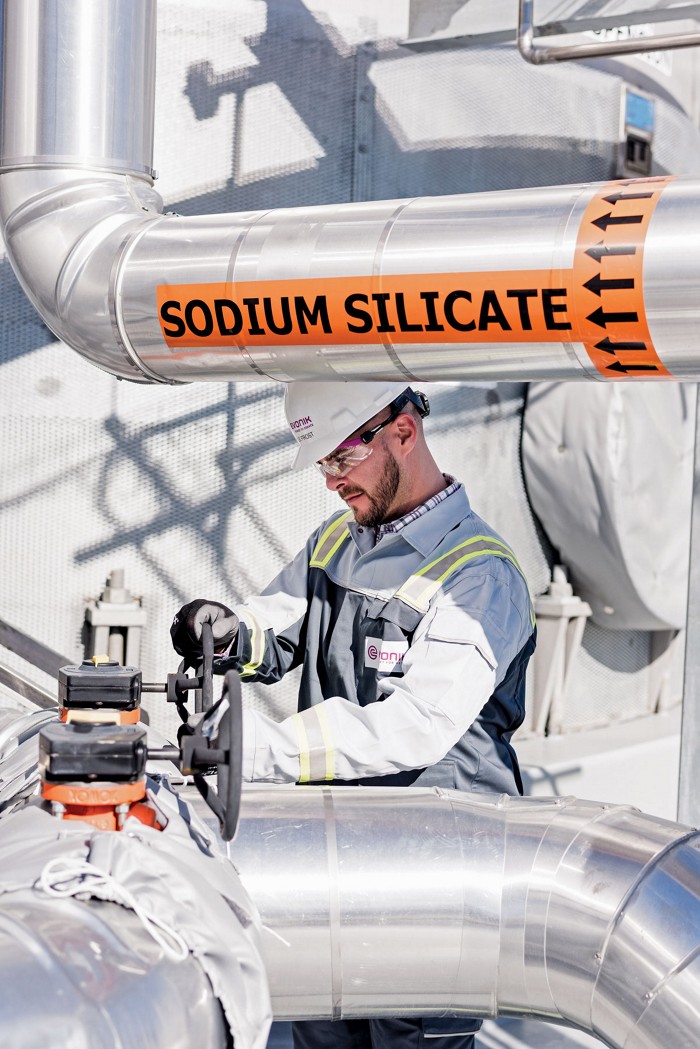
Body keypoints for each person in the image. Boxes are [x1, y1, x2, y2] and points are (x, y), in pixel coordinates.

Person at [171, 380, 536, 1049]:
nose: (332, 480)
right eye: (323, 465)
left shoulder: (479, 577)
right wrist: (228, 630)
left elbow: (416, 722)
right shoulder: (339, 541)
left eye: (341, 458)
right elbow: (278, 626)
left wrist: (258, 753)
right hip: (335, 866)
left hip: (435, 882)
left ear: (402, 430)